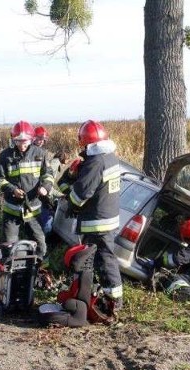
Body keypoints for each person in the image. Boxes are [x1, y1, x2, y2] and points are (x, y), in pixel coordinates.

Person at [58, 119, 123, 309]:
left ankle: (113, 301)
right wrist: (71, 175)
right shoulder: (110, 157)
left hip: (96, 222)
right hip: (106, 219)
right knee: (102, 260)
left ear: (85, 142)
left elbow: (79, 196)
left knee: (102, 260)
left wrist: (69, 203)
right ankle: (99, 294)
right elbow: (72, 186)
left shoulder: (95, 163)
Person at [0, 120, 54, 257]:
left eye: (25, 141)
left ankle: (38, 271)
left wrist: (45, 187)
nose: (22, 145)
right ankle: (5, 273)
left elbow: (48, 174)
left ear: (31, 139)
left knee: (40, 244)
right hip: (12, 210)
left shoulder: (40, 154)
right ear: (13, 139)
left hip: (33, 210)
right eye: (18, 141)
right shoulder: (5, 156)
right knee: (8, 245)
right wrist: (12, 189)